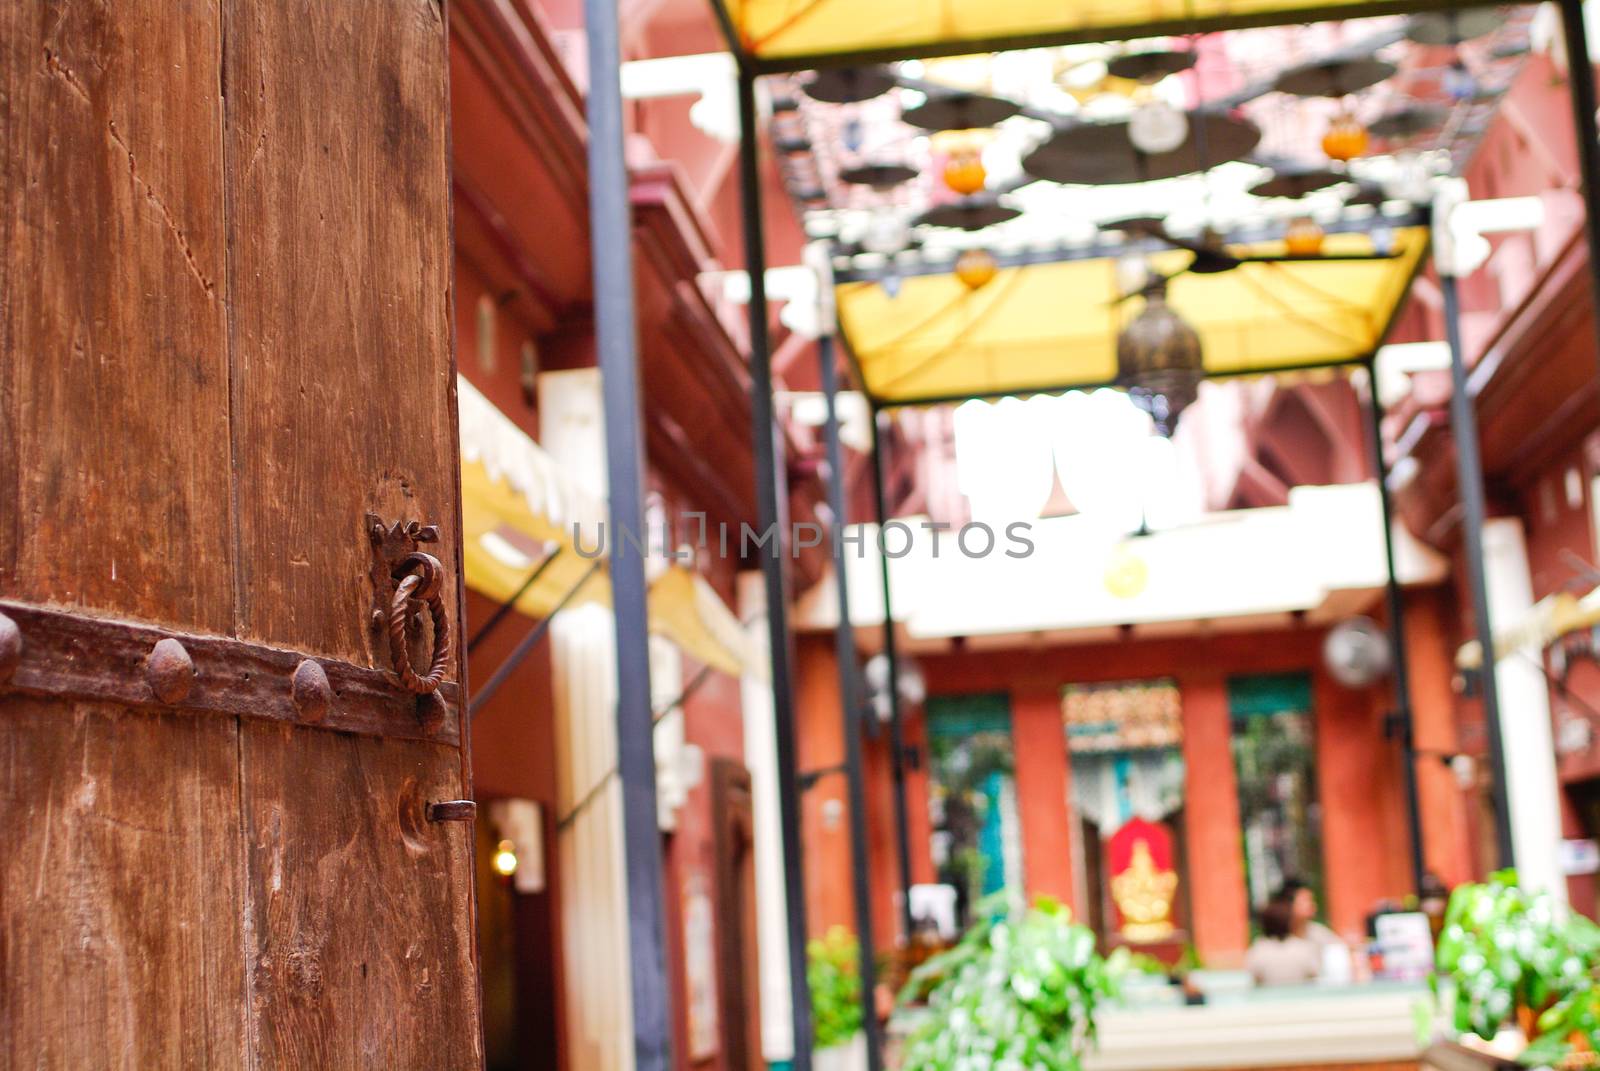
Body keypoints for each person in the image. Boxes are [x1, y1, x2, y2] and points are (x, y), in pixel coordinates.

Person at [1245, 899, 1322, 986]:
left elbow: (1255, 978)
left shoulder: (1257, 950)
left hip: (1269, 998)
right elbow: (1314, 975)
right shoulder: (1304, 949)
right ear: (1290, 922)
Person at [1275, 878, 1341, 949]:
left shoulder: (1318, 932)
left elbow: (1338, 949)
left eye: (1311, 900)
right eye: (1306, 900)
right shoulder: (1276, 934)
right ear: (1289, 904)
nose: (1312, 904)